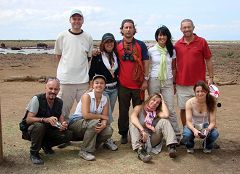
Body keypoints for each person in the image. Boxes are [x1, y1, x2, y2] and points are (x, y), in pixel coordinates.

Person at [24, 77, 72, 165]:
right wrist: (45, 120)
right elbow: (28, 119)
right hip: (33, 130)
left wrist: (63, 125)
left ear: (59, 90)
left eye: (56, 89)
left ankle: (46, 145)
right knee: (39, 126)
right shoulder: (37, 99)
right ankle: (34, 153)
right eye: (50, 88)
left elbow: (61, 118)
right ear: (45, 88)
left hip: (49, 130)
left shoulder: (59, 102)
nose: (53, 91)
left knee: (68, 134)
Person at [54, 9, 93, 119]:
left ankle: (82, 134)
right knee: (62, 112)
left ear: (83, 20)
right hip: (65, 81)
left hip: (83, 81)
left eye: (79, 19)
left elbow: (89, 57)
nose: (76, 21)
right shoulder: (62, 36)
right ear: (70, 20)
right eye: (74, 19)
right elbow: (58, 56)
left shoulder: (88, 37)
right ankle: (62, 134)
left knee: (86, 112)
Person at [175, 19, 214, 128]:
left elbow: (209, 59)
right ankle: (186, 132)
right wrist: (174, 83)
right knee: (183, 109)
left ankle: (207, 132)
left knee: (204, 108)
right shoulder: (177, 45)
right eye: (184, 27)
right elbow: (173, 65)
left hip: (200, 84)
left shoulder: (202, 42)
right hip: (182, 84)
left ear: (193, 27)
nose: (186, 29)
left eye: (189, 27)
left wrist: (211, 77)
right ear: (181, 29)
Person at [116, 19, 150, 144]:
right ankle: (123, 133)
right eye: (126, 27)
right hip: (123, 85)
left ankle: (139, 132)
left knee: (139, 111)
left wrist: (145, 80)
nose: (128, 30)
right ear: (122, 30)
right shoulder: (117, 45)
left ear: (134, 29)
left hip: (138, 85)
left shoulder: (140, 45)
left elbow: (146, 62)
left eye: (131, 27)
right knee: (123, 111)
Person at [68, 75, 113, 161]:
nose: (99, 85)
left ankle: (93, 145)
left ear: (105, 86)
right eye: (96, 83)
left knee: (108, 130)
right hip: (77, 122)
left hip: (91, 123)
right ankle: (84, 151)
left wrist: (103, 124)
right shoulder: (87, 96)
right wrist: (101, 117)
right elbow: (86, 115)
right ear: (92, 85)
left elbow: (105, 117)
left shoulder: (105, 99)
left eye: (101, 83)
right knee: (94, 123)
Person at [148, 26, 181, 140]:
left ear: (168, 36)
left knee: (170, 108)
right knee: (154, 107)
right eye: (160, 35)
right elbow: (148, 66)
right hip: (154, 80)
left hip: (168, 81)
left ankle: (176, 134)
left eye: (164, 35)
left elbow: (174, 68)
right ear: (157, 37)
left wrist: (174, 83)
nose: (162, 37)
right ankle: (154, 132)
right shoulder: (151, 50)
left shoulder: (172, 50)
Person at [89, 33, 119, 151]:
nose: (109, 44)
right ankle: (105, 138)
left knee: (108, 113)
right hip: (104, 90)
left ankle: (104, 137)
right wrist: (92, 87)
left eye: (111, 42)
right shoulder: (98, 56)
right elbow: (91, 73)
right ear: (103, 44)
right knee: (107, 114)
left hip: (114, 89)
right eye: (106, 42)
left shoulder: (116, 56)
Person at [129, 93, 178, 162]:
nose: (155, 103)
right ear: (149, 99)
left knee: (164, 121)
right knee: (133, 123)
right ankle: (140, 151)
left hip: (151, 138)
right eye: (153, 100)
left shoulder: (156, 112)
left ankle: (171, 147)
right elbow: (133, 117)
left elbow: (166, 115)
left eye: (157, 102)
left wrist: (162, 100)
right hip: (138, 137)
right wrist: (142, 131)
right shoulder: (140, 107)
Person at [182, 81, 219, 154]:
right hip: (193, 124)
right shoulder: (189, 102)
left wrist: (207, 129)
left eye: (202, 91)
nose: (200, 93)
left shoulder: (211, 102)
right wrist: (194, 130)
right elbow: (188, 122)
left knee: (215, 134)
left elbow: (212, 122)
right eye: (197, 91)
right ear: (194, 92)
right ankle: (190, 145)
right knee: (186, 134)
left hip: (205, 124)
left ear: (207, 91)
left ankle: (207, 146)